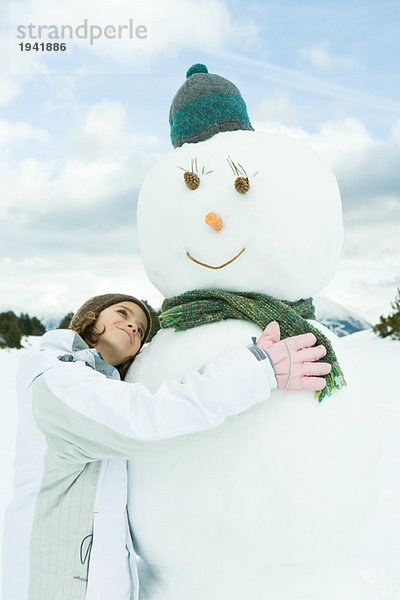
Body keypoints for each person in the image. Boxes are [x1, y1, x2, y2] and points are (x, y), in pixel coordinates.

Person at [2, 293, 331, 600]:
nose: (133, 325)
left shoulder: (97, 390)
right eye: (122, 312)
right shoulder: (57, 380)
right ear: (91, 318)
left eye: (142, 329)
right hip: (50, 585)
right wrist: (257, 369)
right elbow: (148, 419)